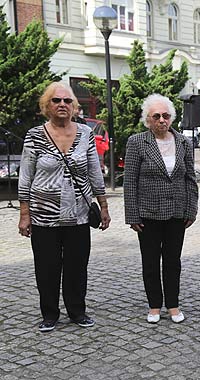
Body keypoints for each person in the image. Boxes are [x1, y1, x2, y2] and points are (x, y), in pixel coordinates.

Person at [18, 82, 111, 332]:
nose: (62, 105)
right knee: (46, 267)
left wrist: (103, 206)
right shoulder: (35, 136)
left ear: (74, 106)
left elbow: (94, 170)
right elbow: (25, 177)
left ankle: (77, 311)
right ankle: (49, 314)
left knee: (77, 266)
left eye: (67, 101)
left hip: (79, 214)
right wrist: (24, 214)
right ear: (47, 106)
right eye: (56, 101)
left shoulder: (85, 133)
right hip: (43, 216)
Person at [123, 94, 199, 324]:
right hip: (148, 213)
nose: (162, 120)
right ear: (148, 120)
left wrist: (191, 209)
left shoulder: (183, 142)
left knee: (173, 261)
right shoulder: (137, 142)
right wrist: (132, 214)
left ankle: (173, 305)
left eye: (166, 116)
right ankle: (154, 305)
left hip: (177, 212)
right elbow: (130, 181)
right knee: (150, 261)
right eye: (156, 116)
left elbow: (190, 178)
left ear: (172, 118)